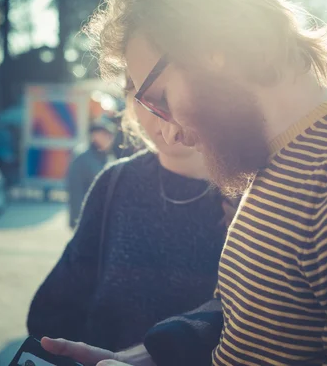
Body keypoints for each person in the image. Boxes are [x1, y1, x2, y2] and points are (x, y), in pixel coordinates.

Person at [43, 0, 327, 365]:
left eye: (159, 98)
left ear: (214, 51)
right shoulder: (269, 163)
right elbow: (252, 328)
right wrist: (148, 356)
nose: (166, 132)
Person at [27, 75, 233, 355]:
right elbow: (53, 309)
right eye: (144, 92)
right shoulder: (115, 182)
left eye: (173, 87)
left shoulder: (254, 192)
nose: (163, 108)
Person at [67, 115, 117, 228]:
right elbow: (75, 193)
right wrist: (78, 221)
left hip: (105, 221)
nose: (109, 138)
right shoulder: (82, 159)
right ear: (94, 135)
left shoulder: (110, 158)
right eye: (105, 135)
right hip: (87, 221)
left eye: (111, 135)